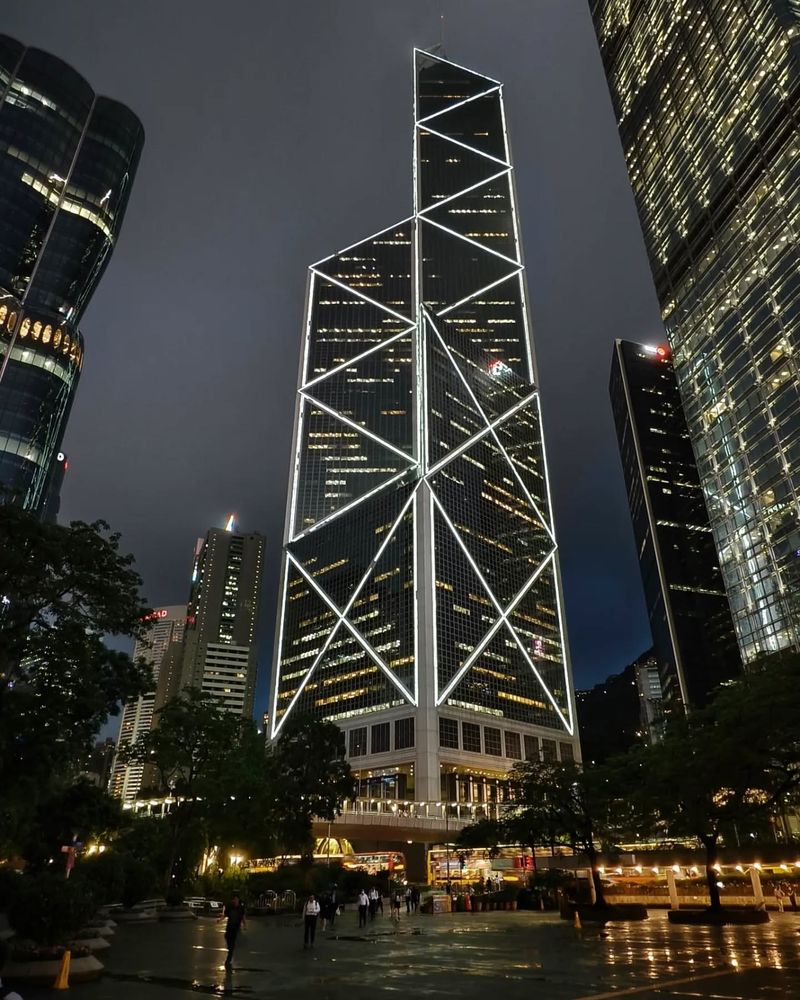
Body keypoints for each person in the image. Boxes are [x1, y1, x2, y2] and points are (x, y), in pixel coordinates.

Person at [220, 893, 246, 968]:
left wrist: (245, 925)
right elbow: (225, 915)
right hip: (229, 927)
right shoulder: (230, 907)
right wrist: (220, 920)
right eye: (233, 899)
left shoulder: (241, 908)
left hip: (235, 928)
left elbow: (243, 917)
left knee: (232, 943)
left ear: (238, 900)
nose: (234, 901)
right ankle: (230, 951)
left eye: (236, 899)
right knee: (227, 937)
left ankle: (228, 959)